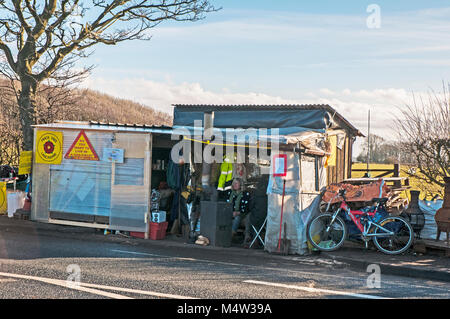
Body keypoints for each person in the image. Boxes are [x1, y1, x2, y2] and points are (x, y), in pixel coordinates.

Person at [227, 178, 252, 246]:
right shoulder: (230, 193)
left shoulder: (245, 194)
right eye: (234, 183)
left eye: (236, 183)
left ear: (241, 185)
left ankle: (231, 235)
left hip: (242, 214)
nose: (234, 185)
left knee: (237, 218)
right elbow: (226, 205)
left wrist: (238, 212)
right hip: (230, 213)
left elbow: (247, 208)